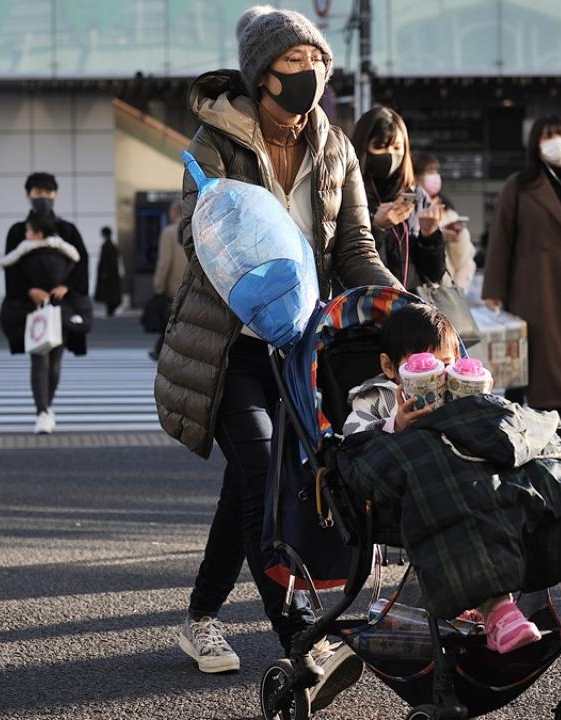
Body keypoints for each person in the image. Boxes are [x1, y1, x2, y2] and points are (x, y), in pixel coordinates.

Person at [154, 6, 398, 705]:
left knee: (247, 486)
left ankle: (200, 617)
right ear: (263, 74)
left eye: (317, 62)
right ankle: (303, 639)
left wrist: (400, 306)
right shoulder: (214, 144)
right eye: (294, 63)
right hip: (230, 342)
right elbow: (199, 241)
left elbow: (354, 248)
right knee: (265, 477)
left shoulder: (335, 146)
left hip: (301, 348)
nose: (309, 75)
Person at [341, 303, 561, 656]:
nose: (437, 374)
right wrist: (396, 425)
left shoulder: (462, 387)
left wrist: (483, 403)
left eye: (445, 363)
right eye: (423, 364)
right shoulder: (376, 396)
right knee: (464, 507)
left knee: (559, 486)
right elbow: (354, 442)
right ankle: (498, 611)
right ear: (389, 367)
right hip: (433, 485)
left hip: (485, 476)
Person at [482, 115, 561, 418]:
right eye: (548, 136)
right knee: (537, 372)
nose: (556, 142)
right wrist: (494, 289)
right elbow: (501, 239)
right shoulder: (519, 187)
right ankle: (539, 426)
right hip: (534, 288)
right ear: (535, 144)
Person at [0, 173, 90, 435]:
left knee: (56, 360)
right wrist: (29, 291)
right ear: (28, 195)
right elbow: (11, 267)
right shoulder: (18, 231)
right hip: (31, 307)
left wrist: (67, 287)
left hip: (62, 306)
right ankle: (42, 411)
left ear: (55, 195)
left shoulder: (67, 230)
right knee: (39, 357)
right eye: (38, 193)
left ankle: (47, 406)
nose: (44, 198)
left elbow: (81, 262)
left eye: (48, 193)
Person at [350, 107, 444, 290]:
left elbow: (434, 274)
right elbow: (348, 263)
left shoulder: (416, 197)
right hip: (366, 301)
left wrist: (430, 236)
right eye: (380, 146)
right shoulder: (349, 194)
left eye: (397, 147)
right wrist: (376, 227)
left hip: (410, 301)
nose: (390, 154)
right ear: (363, 147)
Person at [415, 155, 473, 291]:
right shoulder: (407, 209)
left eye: (436, 172)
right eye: (430, 172)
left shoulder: (449, 212)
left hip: (445, 289)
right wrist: (435, 235)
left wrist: (457, 238)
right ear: (415, 177)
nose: (435, 177)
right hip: (419, 287)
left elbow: (462, 260)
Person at [149, 198, 186, 361]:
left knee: (170, 320)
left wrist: (159, 285)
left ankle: (162, 350)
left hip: (174, 287)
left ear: (174, 212)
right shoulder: (198, 228)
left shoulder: (169, 232)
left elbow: (164, 262)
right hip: (195, 286)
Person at [94, 226, 123, 317]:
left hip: (108, 274)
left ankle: (111, 309)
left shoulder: (106, 246)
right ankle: (111, 308)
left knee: (108, 293)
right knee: (112, 293)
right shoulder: (113, 245)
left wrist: (105, 272)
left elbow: (106, 261)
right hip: (113, 274)